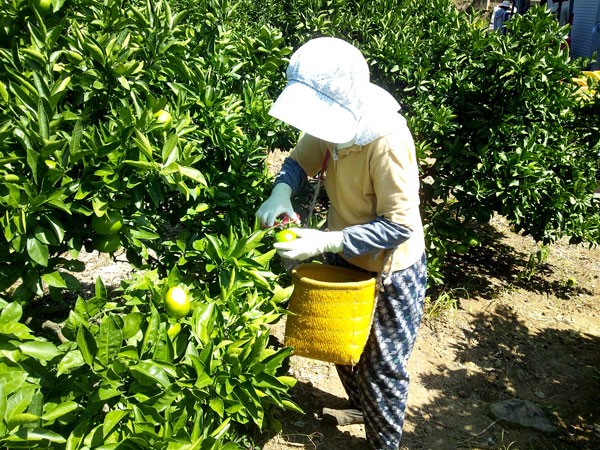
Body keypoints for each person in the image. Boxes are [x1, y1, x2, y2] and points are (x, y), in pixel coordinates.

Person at [256, 37, 427, 450]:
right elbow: (299, 162)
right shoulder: (333, 126)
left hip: (392, 270)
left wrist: (327, 240)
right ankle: (360, 407)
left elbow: (399, 225)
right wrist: (281, 191)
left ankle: (383, 442)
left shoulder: (385, 141)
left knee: (383, 368)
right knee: (340, 343)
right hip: (345, 253)